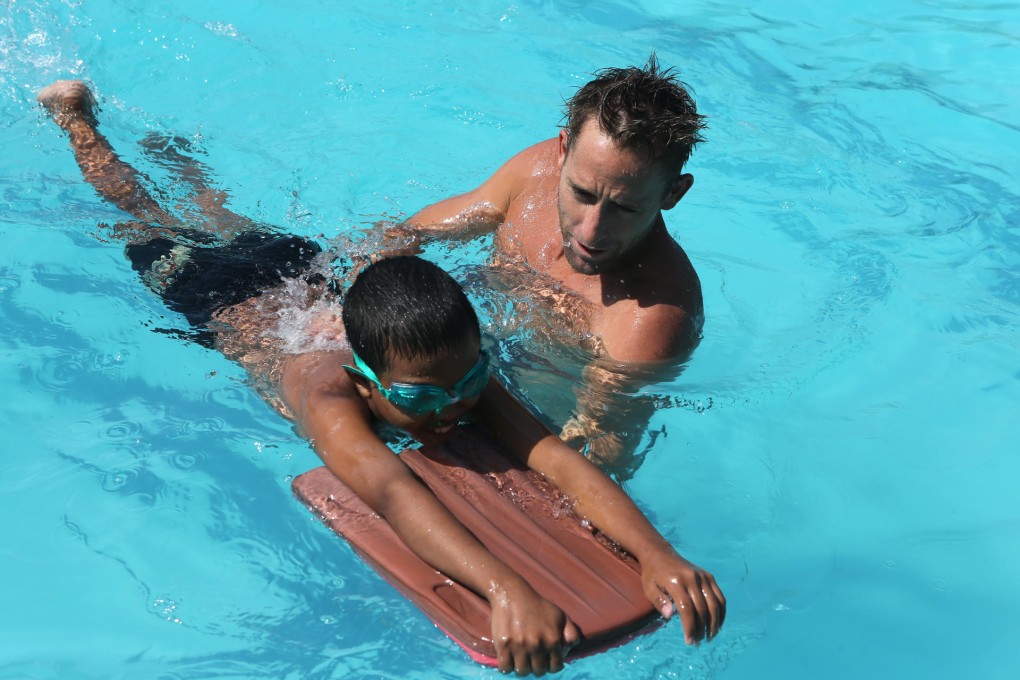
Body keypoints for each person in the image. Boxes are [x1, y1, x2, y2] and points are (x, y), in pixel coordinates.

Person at [39, 79, 725, 676]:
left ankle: (174, 155)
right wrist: (505, 587)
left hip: (298, 268)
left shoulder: (445, 373)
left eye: (469, 386)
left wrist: (658, 555)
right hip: (212, 292)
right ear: (367, 385)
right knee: (140, 210)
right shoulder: (326, 394)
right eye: (424, 399)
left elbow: (557, 461)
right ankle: (78, 124)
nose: (453, 409)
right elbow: (393, 495)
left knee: (221, 215)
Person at [388, 55, 709, 475]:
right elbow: (408, 236)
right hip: (463, 362)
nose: (592, 232)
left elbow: (597, 450)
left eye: (626, 208)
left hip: (531, 420)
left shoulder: (647, 322)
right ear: (562, 151)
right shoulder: (534, 173)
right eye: (581, 192)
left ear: (674, 194)